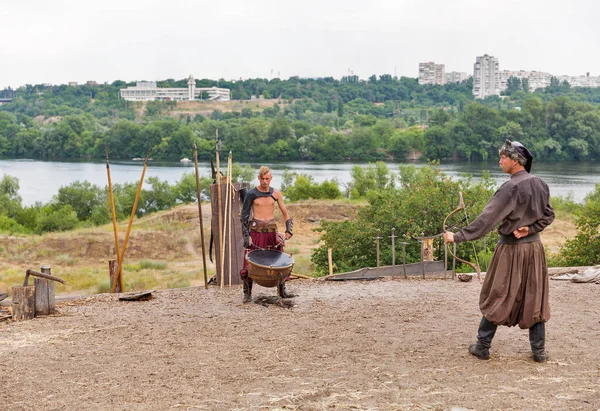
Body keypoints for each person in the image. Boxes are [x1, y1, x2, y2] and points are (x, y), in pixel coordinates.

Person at [444, 140, 555, 363]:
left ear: (515, 161)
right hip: (534, 250)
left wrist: (457, 236)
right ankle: (539, 352)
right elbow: (549, 215)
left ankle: (482, 347)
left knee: (497, 293)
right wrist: (531, 229)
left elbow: (487, 220)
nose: (500, 161)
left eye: (503, 157)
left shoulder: (509, 188)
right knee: (534, 296)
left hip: (511, 251)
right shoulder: (541, 184)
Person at [239, 166, 295, 303]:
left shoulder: (275, 193)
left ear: (271, 178)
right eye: (263, 179)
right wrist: (247, 236)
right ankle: (247, 294)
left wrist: (288, 230)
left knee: (279, 262)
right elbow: (244, 217)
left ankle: (282, 292)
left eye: (267, 179)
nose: (265, 181)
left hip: (272, 233)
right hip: (256, 233)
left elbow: (285, 213)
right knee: (250, 264)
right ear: (259, 178)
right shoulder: (251, 194)